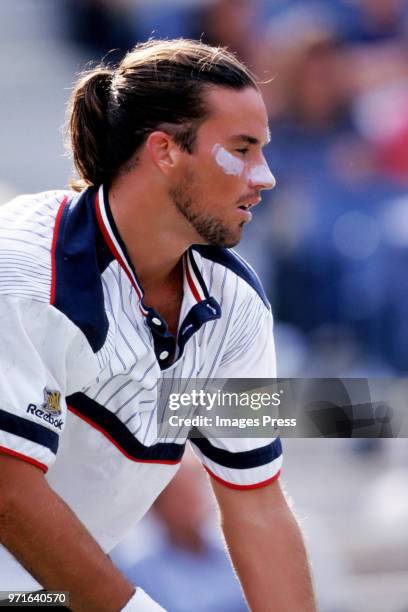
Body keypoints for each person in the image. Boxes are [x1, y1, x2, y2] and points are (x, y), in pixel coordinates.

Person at [0, 39, 316, 611]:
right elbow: (7, 493)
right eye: (242, 149)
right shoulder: (21, 268)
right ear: (165, 150)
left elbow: (257, 505)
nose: (265, 176)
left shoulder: (236, 303)